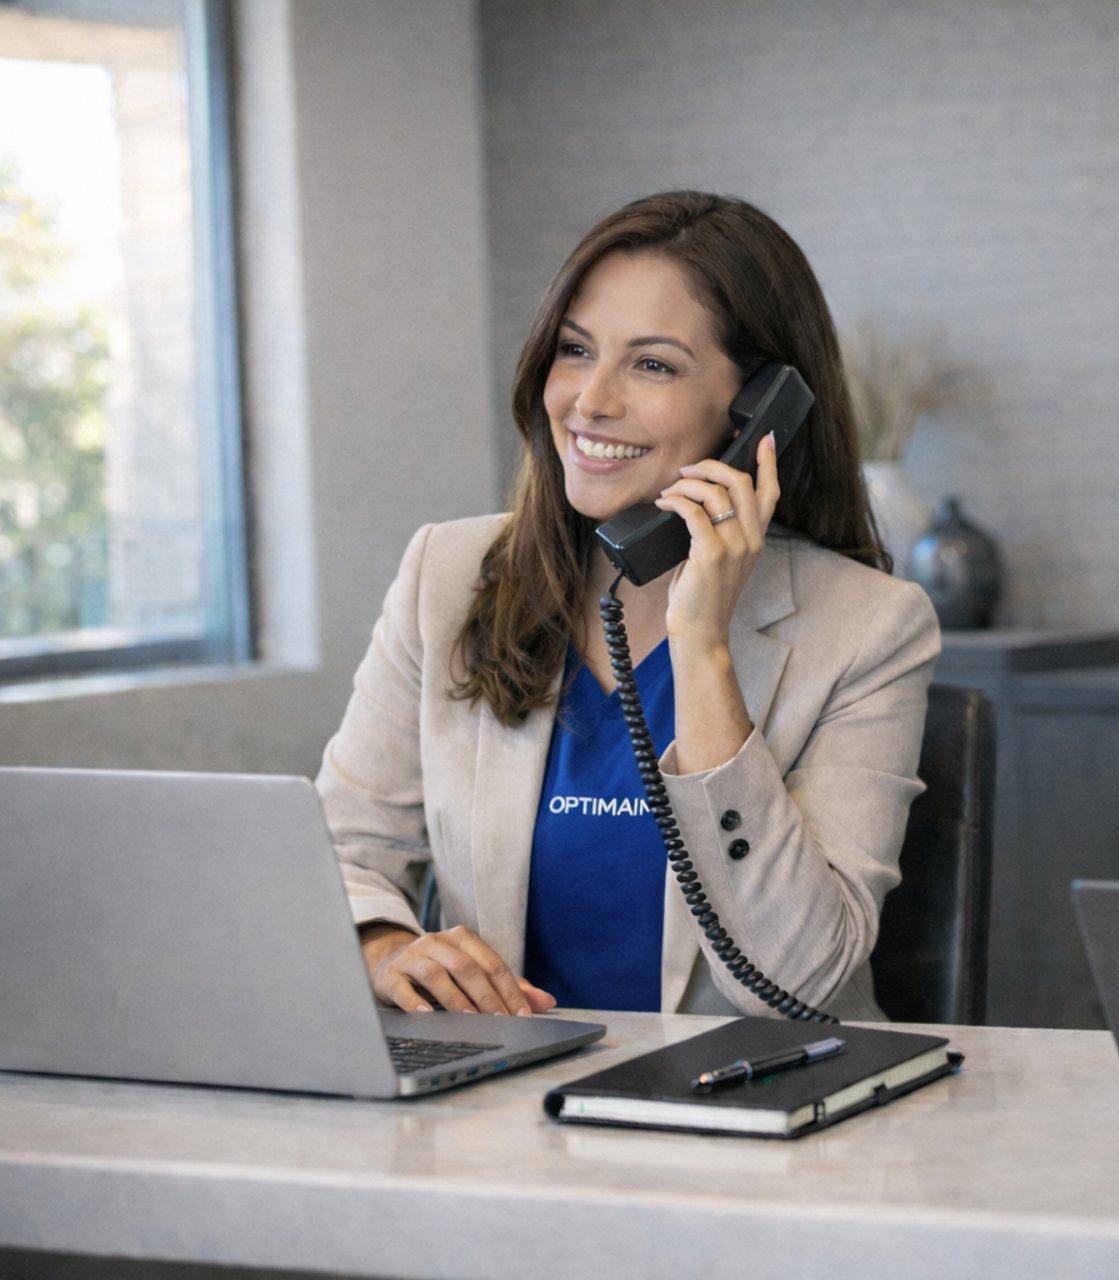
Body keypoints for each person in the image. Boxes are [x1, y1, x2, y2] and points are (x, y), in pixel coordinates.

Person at [319, 192, 938, 1021]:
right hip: (500, 1111)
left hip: (752, 1116)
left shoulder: (870, 628)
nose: (591, 401)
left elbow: (798, 981)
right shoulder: (449, 575)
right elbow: (338, 854)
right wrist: (386, 950)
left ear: (760, 409)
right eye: (575, 350)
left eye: (652, 364)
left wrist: (704, 648)